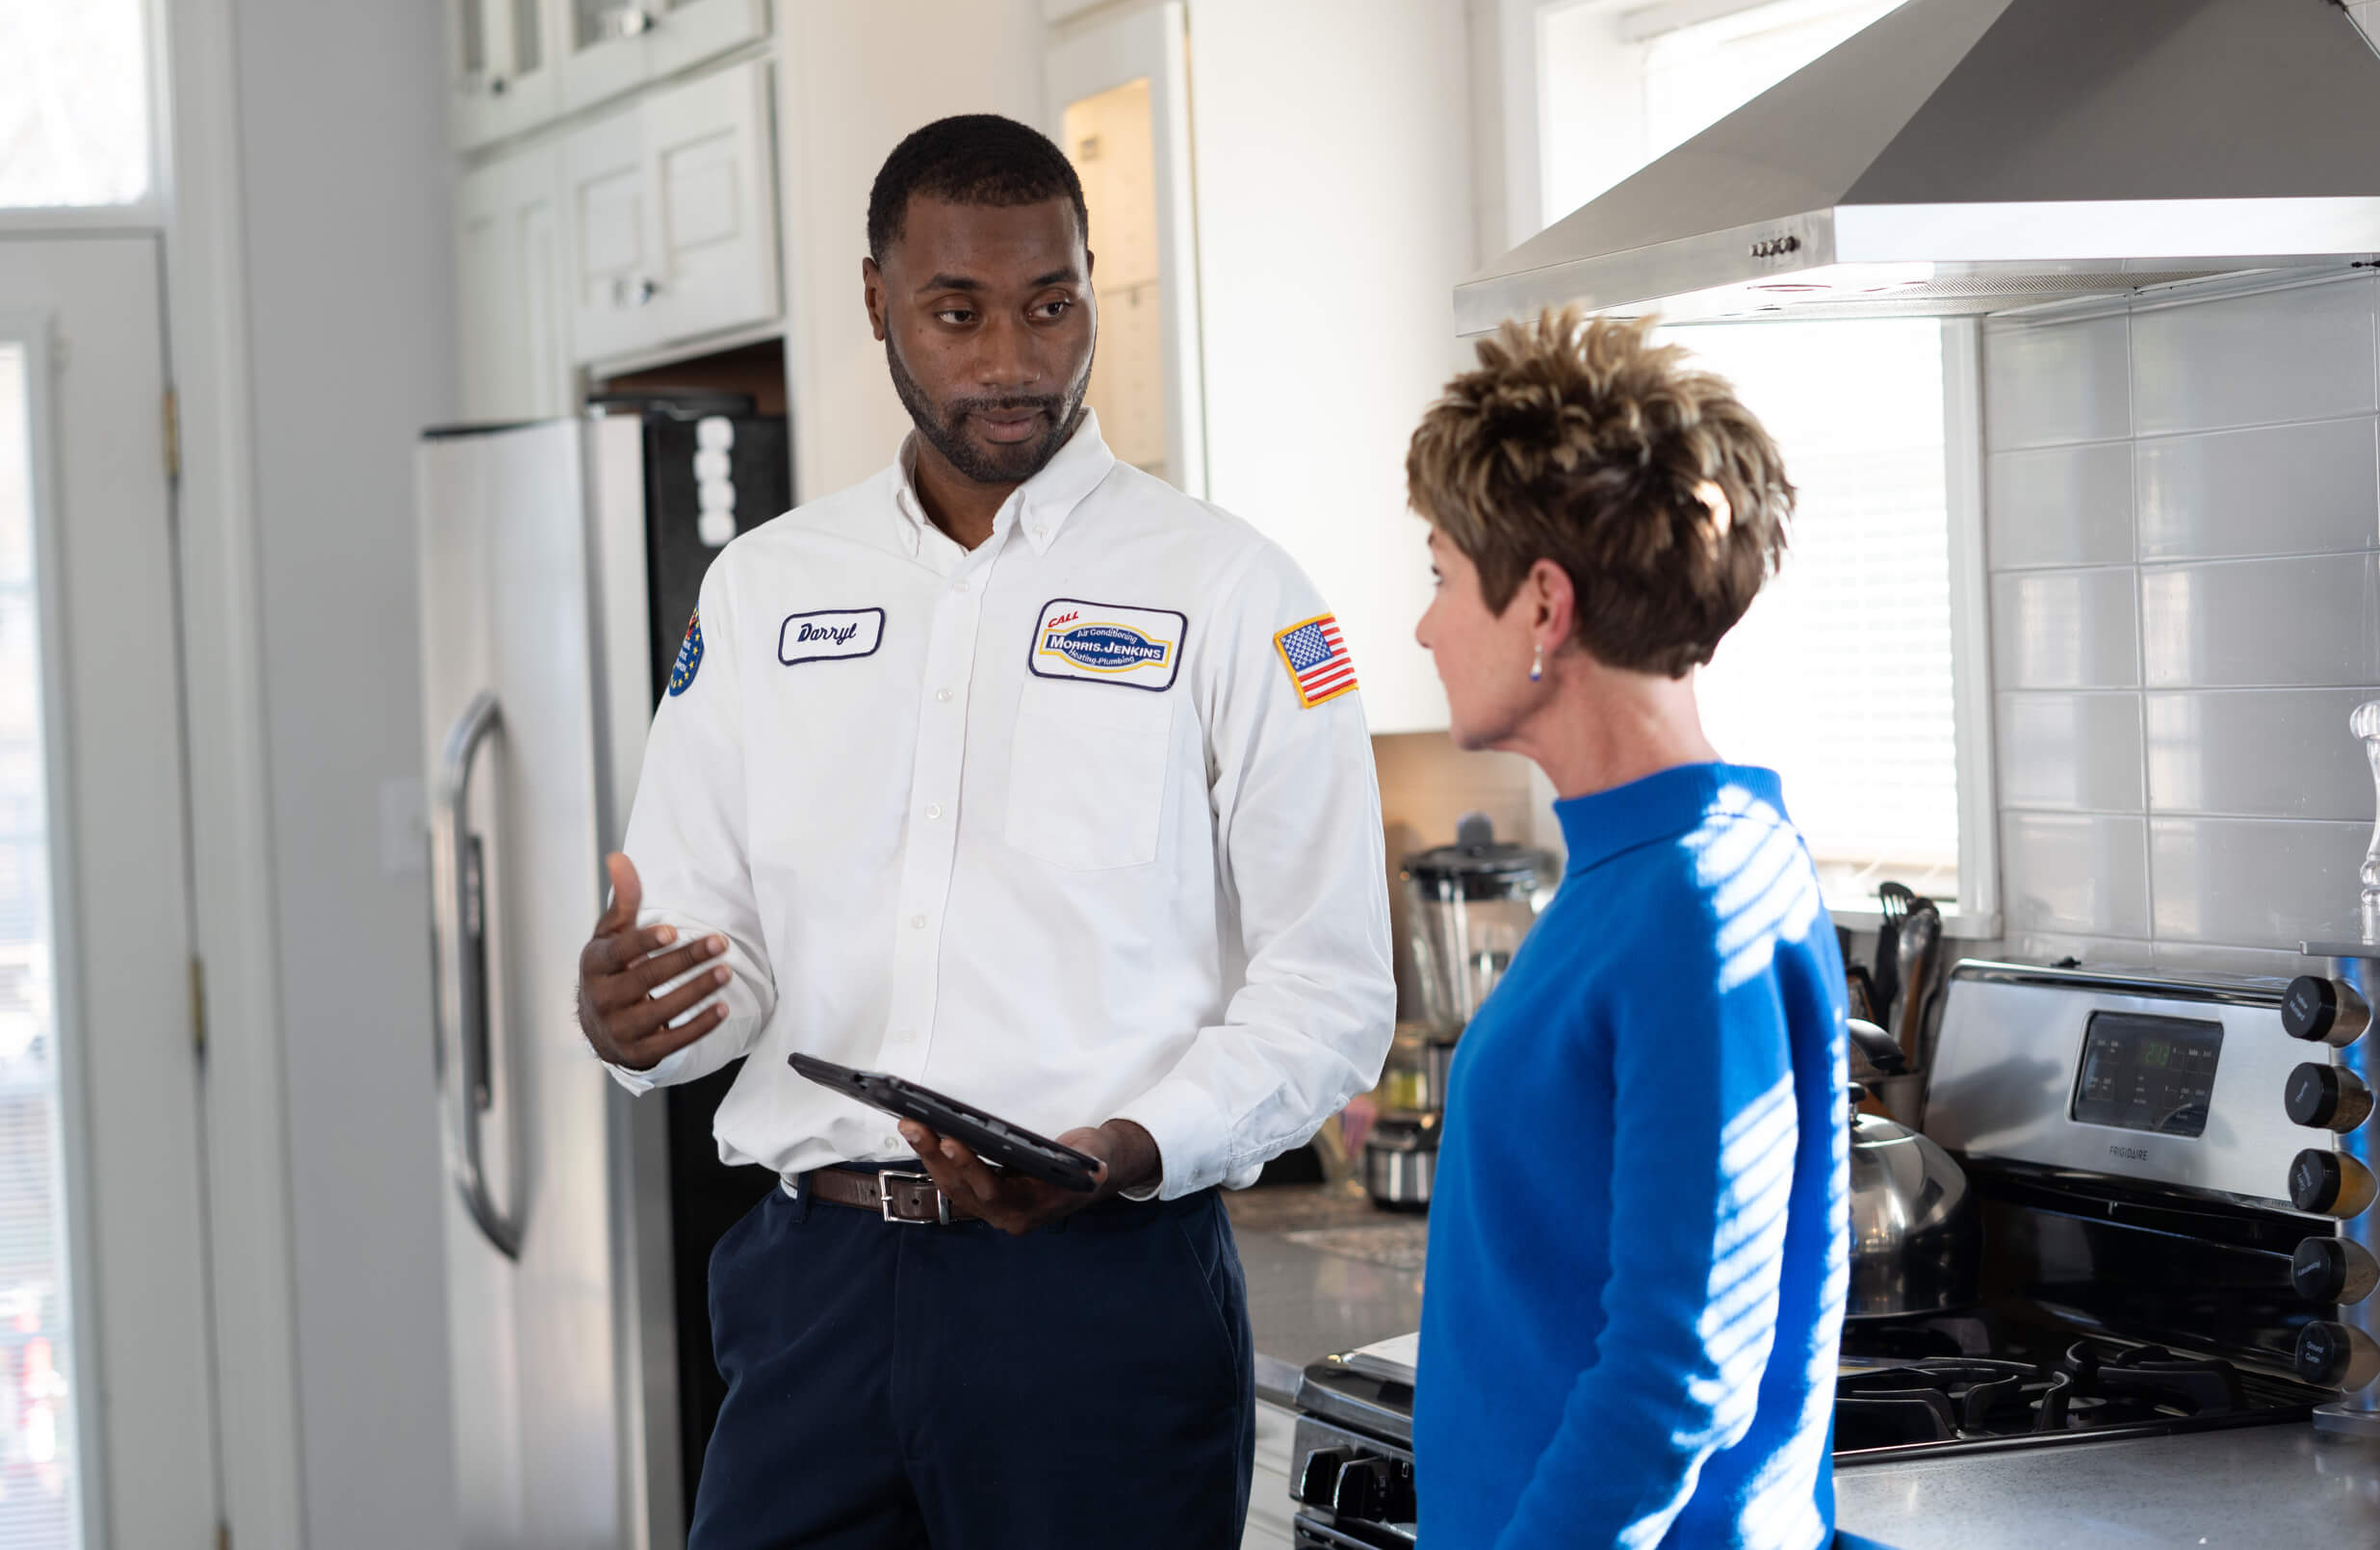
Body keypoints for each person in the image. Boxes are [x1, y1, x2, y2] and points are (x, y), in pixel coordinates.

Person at [571, 114, 1395, 1550]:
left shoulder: (1234, 591)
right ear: (878, 299)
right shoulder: (767, 589)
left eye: (1051, 304)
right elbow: (721, 948)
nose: (1013, 360)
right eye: (957, 312)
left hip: (1098, 1299)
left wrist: (1122, 1149)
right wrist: (649, 1016)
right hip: (812, 1294)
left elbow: (1330, 992)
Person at [1406, 308, 1850, 1550]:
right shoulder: (1648, 876)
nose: (1427, 626)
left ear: (1543, 606)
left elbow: (1681, 1365)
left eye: (1441, 576)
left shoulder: (1691, 904)